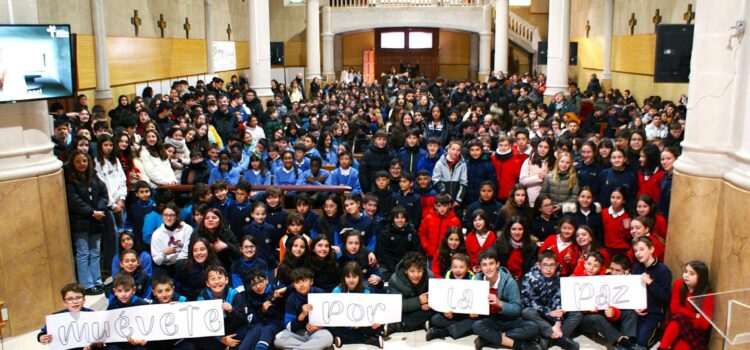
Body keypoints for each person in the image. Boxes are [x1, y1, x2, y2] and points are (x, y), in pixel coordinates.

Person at [471, 250, 542, 350]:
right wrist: (473, 311)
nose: (488, 268)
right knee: (476, 326)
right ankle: (519, 345)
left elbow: (517, 309)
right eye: (484, 265)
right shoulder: (477, 280)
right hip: (490, 320)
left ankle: (488, 338)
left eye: (491, 264)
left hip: (508, 320)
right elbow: (474, 305)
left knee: (533, 327)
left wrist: (500, 304)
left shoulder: (509, 281)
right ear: (480, 267)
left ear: (497, 264)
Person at [65, 150, 108, 295]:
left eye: (84, 161)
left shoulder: (94, 176)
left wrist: (99, 209)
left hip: (96, 221)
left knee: (95, 253)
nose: (82, 164)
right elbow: (74, 201)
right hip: (80, 222)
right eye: (78, 161)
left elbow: (103, 194)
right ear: (73, 163)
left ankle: (97, 281)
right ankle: (86, 284)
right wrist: (91, 212)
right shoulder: (71, 180)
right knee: (83, 253)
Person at [521, 250, 581, 350]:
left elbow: (558, 300)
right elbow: (529, 302)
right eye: (545, 265)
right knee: (526, 312)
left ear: (557, 265)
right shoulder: (529, 277)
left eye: (552, 265)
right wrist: (548, 313)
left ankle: (549, 340)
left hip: (554, 314)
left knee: (577, 314)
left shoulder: (559, 278)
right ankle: (557, 337)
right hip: (539, 314)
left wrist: (558, 323)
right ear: (539, 265)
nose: (548, 269)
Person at [274, 267, 334, 350]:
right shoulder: (291, 298)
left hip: (316, 332)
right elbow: (289, 326)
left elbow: (331, 317)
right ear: (294, 285)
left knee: (328, 337)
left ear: (311, 281)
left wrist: (319, 327)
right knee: (279, 339)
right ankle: (313, 347)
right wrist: (302, 315)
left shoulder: (320, 293)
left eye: (305, 281)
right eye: (297, 282)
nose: (301, 285)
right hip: (298, 334)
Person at [658, 261, 714, 350]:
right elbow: (674, 308)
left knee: (680, 319)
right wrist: (694, 315)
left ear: (701, 277)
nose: (686, 275)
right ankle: (662, 348)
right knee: (678, 319)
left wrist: (687, 320)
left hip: (693, 330)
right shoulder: (678, 284)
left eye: (691, 274)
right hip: (675, 324)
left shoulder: (706, 294)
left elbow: (705, 323)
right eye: (685, 271)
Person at [329, 262, 385, 348]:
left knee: (379, 325)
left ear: (359, 277)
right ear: (344, 278)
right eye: (348, 277)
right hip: (344, 324)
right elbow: (333, 313)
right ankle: (367, 339)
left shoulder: (366, 291)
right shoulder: (337, 291)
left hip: (361, 324)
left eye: (354, 276)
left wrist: (373, 322)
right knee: (329, 328)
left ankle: (344, 339)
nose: (351, 280)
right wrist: (351, 325)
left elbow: (369, 312)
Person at [426, 253, 479, 341]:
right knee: (435, 319)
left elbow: (478, 301)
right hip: (451, 315)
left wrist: (474, 311)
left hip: (467, 316)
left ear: (467, 269)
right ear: (451, 267)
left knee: (477, 322)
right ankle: (460, 327)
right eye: (454, 267)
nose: (458, 270)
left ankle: (443, 332)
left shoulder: (474, 280)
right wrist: (444, 311)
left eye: (461, 267)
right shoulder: (446, 278)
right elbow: (442, 299)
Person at [631, 236, 672, 348]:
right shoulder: (637, 268)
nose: (638, 253)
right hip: (638, 312)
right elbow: (632, 291)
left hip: (654, 314)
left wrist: (650, 282)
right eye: (635, 251)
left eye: (641, 249)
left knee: (642, 343)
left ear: (651, 249)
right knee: (629, 339)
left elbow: (665, 297)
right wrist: (634, 307)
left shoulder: (663, 270)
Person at [195, 265, 247, 350]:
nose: (217, 282)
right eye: (213, 279)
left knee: (245, 331)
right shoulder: (202, 298)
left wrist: (232, 310)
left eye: (219, 278)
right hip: (214, 334)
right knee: (200, 338)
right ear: (207, 283)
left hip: (231, 328)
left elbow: (243, 320)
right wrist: (221, 339)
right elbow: (202, 326)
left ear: (226, 280)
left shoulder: (234, 294)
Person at [384, 251, 435, 336]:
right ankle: (420, 324)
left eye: (419, 271)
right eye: (412, 271)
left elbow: (436, 298)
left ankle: (401, 325)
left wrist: (429, 304)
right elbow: (397, 305)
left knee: (434, 312)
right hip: (403, 309)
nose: (416, 275)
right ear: (405, 271)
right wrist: (418, 301)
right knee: (392, 312)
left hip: (420, 310)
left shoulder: (430, 277)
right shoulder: (395, 280)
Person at [37, 283, 97, 348]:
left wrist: (93, 346)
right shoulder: (56, 318)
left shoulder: (92, 314)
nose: (74, 301)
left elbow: (100, 335)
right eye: (70, 299)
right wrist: (41, 337)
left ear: (84, 300)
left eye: (78, 298)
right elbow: (43, 332)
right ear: (65, 303)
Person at [376, 206, 421, 281]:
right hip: (388, 266)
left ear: (406, 219)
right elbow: (383, 254)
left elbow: (416, 252)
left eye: (402, 217)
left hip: (407, 266)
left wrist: (406, 267)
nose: (400, 220)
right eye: (397, 217)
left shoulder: (412, 233)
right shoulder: (385, 233)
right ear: (393, 219)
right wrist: (395, 270)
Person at [106, 273, 150, 349]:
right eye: (119, 291)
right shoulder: (112, 307)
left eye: (127, 290)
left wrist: (145, 339)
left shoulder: (143, 305)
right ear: (114, 292)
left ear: (133, 290)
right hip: (120, 342)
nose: (123, 294)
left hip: (138, 341)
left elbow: (150, 326)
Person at [419, 192, 461, 267]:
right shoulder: (428, 218)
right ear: (435, 206)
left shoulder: (455, 221)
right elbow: (421, 233)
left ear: (449, 206)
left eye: (444, 206)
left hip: (448, 256)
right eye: (439, 206)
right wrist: (426, 246)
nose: (442, 208)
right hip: (431, 255)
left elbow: (458, 238)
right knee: (432, 276)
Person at [150, 203, 192, 278]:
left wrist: (175, 260)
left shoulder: (187, 229)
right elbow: (157, 260)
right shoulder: (156, 234)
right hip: (163, 264)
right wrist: (164, 253)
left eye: (171, 215)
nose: (168, 218)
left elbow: (185, 253)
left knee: (182, 266)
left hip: (180, 263)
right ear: (162, 216)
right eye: (165, 215)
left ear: (177, 217)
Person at [432, 140, 468, 208]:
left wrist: (458, 200)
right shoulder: (440, 163)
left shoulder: (463, 165)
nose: (455, 152)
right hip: (442, 199)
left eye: (458, 150)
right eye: (453, 149)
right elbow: (436, 180)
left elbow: (464, 183)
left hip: (456, 202)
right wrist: (444, 194)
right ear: (448, 149)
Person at [520, 137, 554, 206]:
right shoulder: (529, 160)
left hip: (548, 201)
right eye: (540, 146)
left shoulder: (553, 162)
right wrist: (538, 177)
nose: (542, 149)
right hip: (531, 199)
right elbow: (522, 180)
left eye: (546, 147)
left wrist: (547, 176)